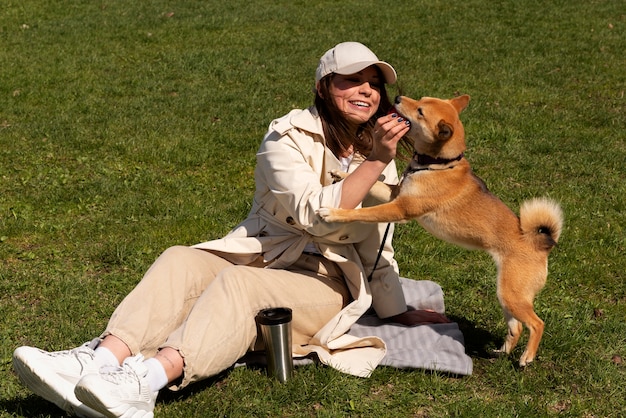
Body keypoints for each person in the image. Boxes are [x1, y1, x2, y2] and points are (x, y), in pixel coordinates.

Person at [12, 41, 450, 418]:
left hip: (328, 280)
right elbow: (314, 214)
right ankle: (97, 362)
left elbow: (378, 242)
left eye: (374, 83)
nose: (366, 91)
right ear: (323, 87)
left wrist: (394, 309)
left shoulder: (382, 152)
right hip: (266, 250)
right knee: (180, 258)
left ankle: (143, 382)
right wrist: (375, 160)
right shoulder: (286, 137)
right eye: (351, 80)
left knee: (239, 286)